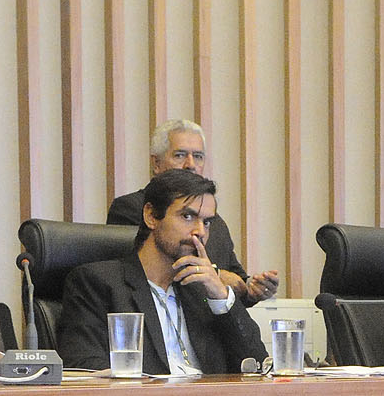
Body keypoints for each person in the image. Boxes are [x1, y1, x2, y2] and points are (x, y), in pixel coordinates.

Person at [60, 168, 265, 375]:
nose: (200, 232)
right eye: (187, 216)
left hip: (209, 395)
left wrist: (221, 298)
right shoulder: (98, 284)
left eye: (206, 222)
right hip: (146, 395)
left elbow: (258, 366)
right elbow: (84, 367)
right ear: (151, 216)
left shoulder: (202, 292)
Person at [107, 119, 278, 305]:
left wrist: (250, 289)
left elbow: (234, 277)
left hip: (208, 318)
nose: (190, 164)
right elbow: (144, 268)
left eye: (198, 156)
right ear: (156, 163)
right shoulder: (132, 207)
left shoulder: (213, 219)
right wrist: (216, 274)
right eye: (180, 155)